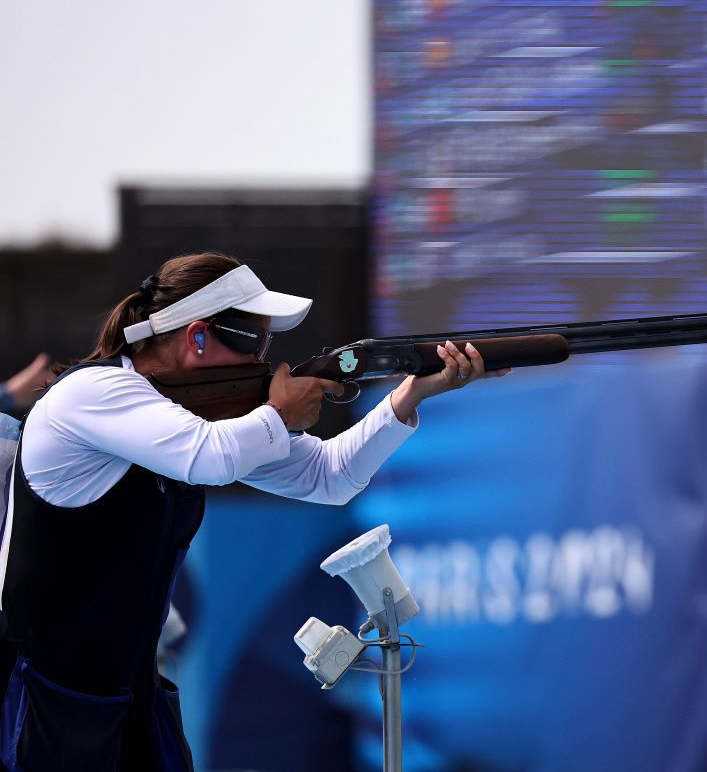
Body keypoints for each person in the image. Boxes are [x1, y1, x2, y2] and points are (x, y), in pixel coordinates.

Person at [0, 252, 509, 772]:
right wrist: (278, 414)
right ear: (198, 337)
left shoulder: (192, 417)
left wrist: (412, 394)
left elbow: (329, 476)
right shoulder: (91, 392)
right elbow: (210, 458)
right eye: (255, 342)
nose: (265, 358)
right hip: (45, 696)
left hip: (129, 696)